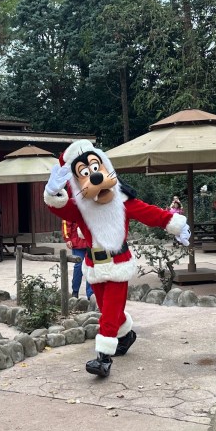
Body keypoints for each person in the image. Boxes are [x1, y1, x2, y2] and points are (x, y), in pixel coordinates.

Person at [44, 139, 190, 378]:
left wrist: (176, 225)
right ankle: (127, 335)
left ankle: (103, 358)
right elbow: (59, 208)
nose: (94, 177)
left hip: (118, 263)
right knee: (108, 310)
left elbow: (150, 213)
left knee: (110, 312)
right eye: (84, 173)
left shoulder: (123, 201)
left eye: (95, 168)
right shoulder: (80, 208)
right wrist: (52, 193)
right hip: (94, 265)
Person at [62, 219, 93, 300]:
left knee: (90, 267)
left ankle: (90, 294)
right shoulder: (72, 207)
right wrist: (67, 238)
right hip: (77, 241)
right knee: (78, 266)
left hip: (91, 241)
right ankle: (75, 291)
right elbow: (66, 221)